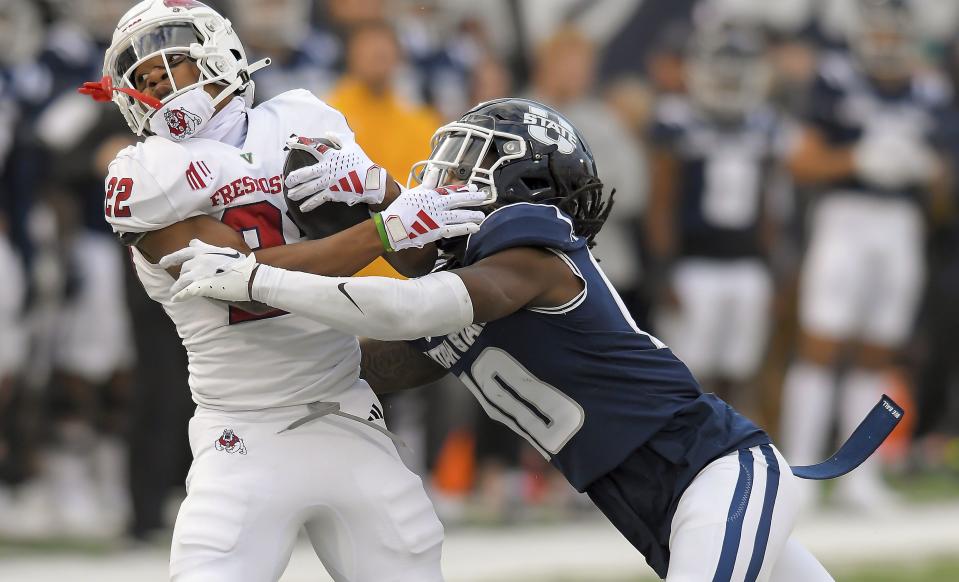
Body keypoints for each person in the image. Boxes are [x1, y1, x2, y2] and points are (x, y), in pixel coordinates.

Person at [163, 98, 841, 581]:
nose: (443, 178)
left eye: (468, 164)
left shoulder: (532, 248)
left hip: (713, 473)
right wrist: (247, 352)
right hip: (653, 503)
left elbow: (412, 306)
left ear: (526, 183)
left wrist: (258, 280)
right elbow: (379, 362)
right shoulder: (478, 271)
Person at [80, 1, 486, 580]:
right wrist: (379, 227)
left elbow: (415, 260)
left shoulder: (301, 117)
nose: (159, 90)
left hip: (344, 405)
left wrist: (381, 191)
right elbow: (253, 284)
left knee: (410, 561)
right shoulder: (145, 175)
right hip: (240, 429)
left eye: (172, 69)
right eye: (143, 81)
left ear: (218, 55)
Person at [781, 0, 950, 511]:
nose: (885, 45)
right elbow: (802, 162)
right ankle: (802, 472)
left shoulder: (931, 90)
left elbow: (944, 185)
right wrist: (856, 158)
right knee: (822, 342)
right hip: (845, 217)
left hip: (900, 225)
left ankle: (861, 477)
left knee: (879, 349)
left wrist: (926, 168)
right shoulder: (833, 80)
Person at [646, 24, 783, 408]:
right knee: (686, 369)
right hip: (694, 265)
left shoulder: (766, 122)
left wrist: (773, 266)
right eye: (721, 66)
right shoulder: (676, 119)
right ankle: (682, 457)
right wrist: (663, 269)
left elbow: (771, 204)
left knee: (740, 369)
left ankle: (731, 452)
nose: (729, 78)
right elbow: (662, 201)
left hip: (748, 265)